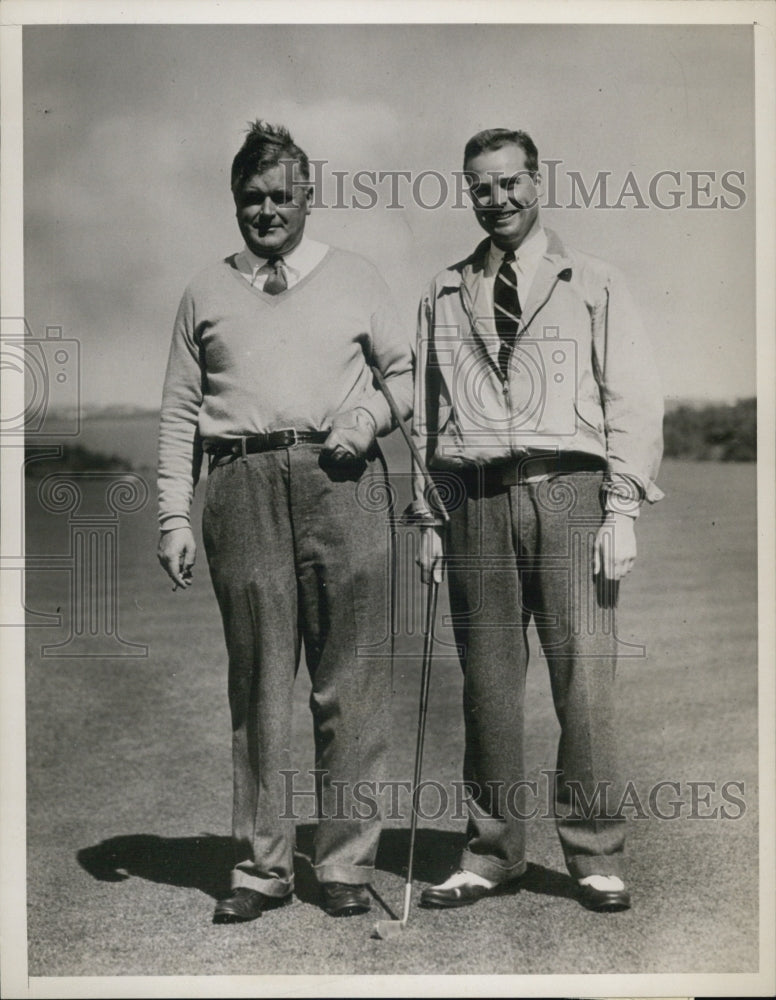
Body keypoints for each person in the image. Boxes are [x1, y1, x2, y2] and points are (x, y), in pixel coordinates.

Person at [157, 121, 412, 923]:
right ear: (236, 202)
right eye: (250, 199)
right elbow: (178, 413)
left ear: (309, 196)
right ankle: (261, 868)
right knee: (259, 686)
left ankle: (343, 865)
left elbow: (408, 374)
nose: (265, 212)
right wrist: (173, 514)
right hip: (239, 485)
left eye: (280, 196)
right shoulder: (204, 290)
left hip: (344, 482)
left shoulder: (358, 277)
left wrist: (368, 416)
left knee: (353, 686)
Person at [413, 128, 663, 912]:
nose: (499, 200)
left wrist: (622, 507)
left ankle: (593, 852)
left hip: (572, 493)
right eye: (482, 187)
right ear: (469, 192)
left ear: (538, 181)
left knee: (584, 682)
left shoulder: (593, 281)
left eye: (512, 183)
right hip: (476, 501)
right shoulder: (444, 291)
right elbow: (427, 416)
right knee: (488, 686)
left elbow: (634, 400)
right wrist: (430, 517)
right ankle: (491, 855)